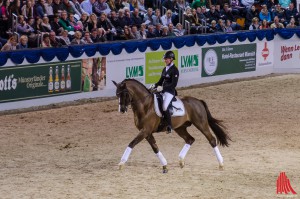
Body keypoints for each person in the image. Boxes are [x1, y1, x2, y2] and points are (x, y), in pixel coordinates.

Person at [149, 51, 179, 134]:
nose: (165, 60)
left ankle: (169, 126)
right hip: (163, 91)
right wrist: (154, 85)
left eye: (166, 59)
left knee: (165, 106)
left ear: (171, 59)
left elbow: (174, 84)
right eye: (164, 59)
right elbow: (160, 81)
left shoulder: (175, 70)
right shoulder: (164, 69)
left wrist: (163, 87)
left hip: (170, 92)